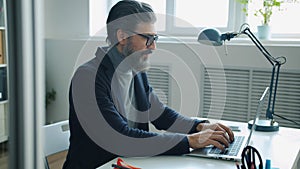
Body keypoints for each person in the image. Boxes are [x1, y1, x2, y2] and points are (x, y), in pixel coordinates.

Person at [63, 0, 234, 168]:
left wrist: (198, 126)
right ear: (122, 36)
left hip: (127, 163)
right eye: (148, 38)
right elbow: (120, 138)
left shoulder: (135, 71)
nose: (153, 47)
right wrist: (190, 141)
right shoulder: (88, 77)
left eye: (155, 38)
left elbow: (160, 114)